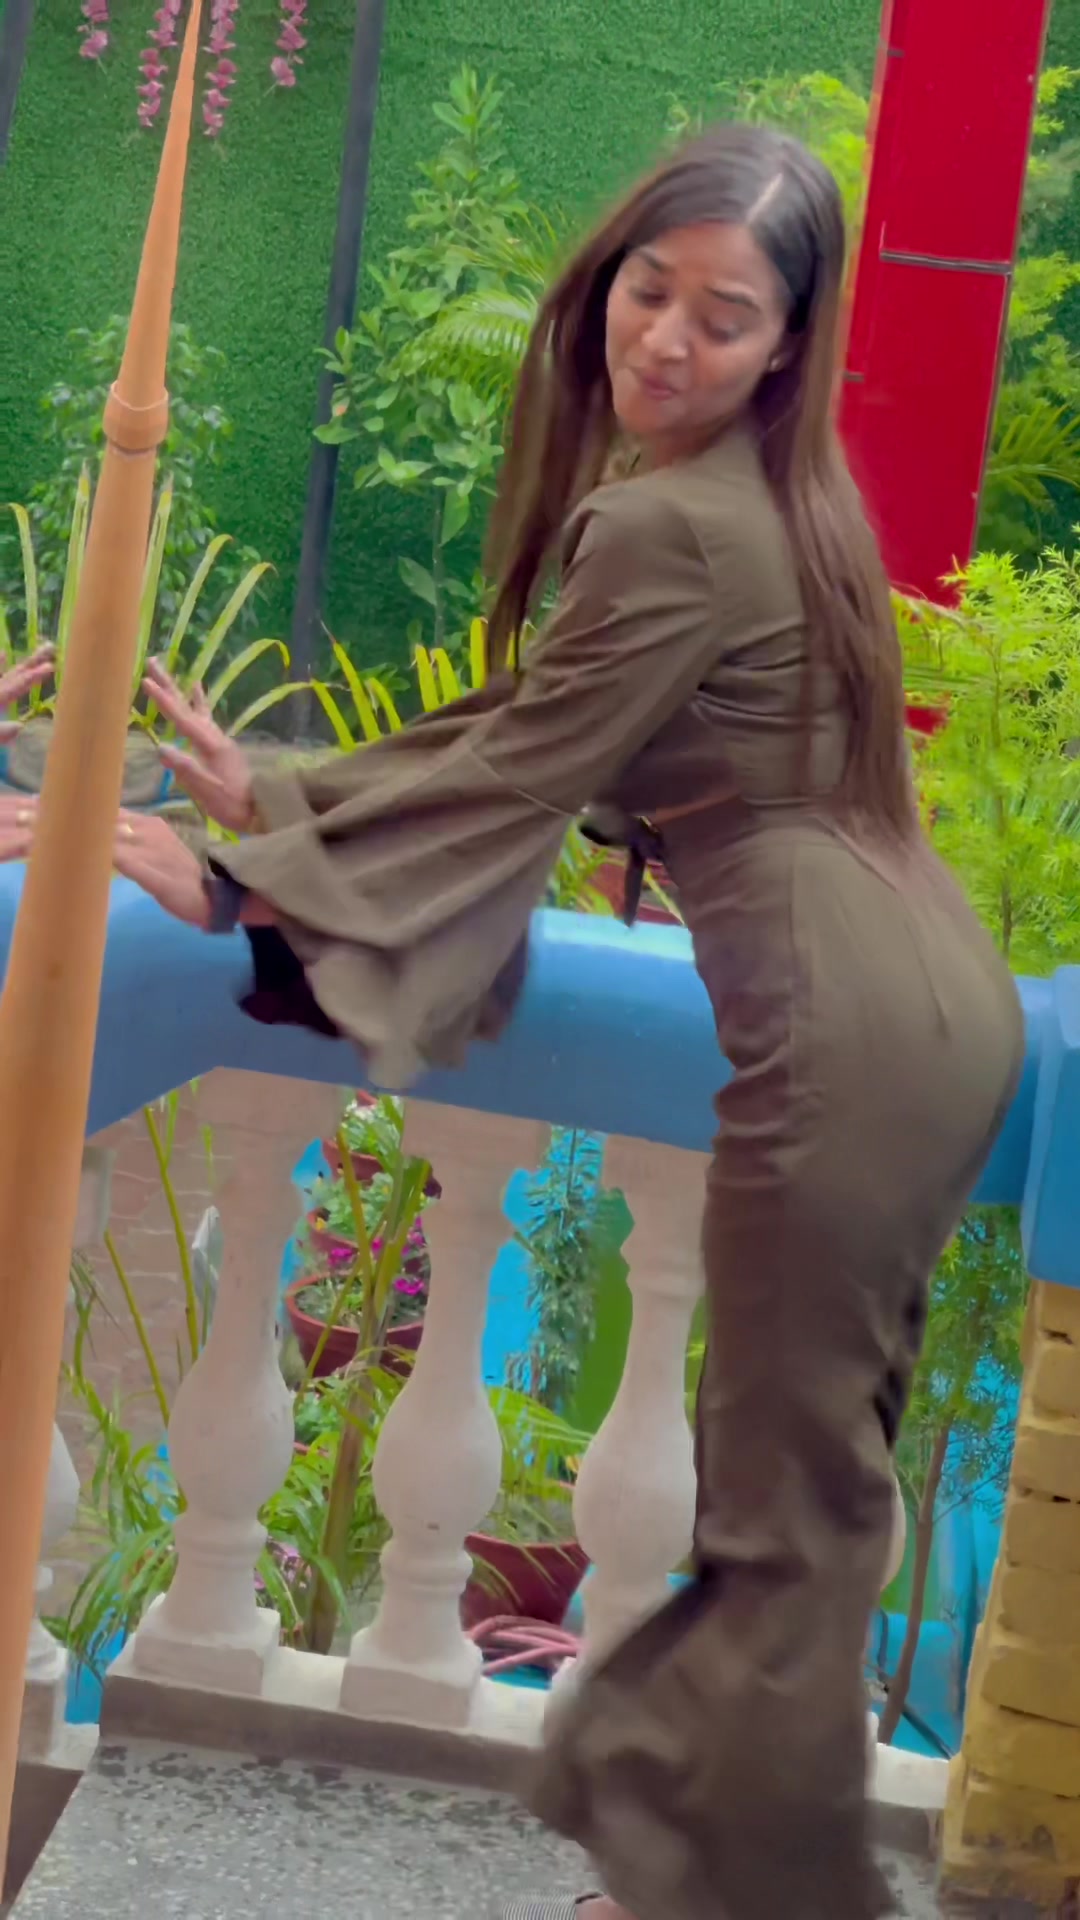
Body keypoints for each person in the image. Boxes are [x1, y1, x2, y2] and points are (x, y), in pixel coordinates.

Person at [1, 126, 1024, 1920]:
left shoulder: (669, 521)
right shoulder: (778, 502)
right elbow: (539, 732)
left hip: (840, 1026)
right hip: (924, 995)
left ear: (787, 342)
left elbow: (526, 773)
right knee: (803, 1493)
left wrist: (235, 881)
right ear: (604, 280)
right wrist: (279, 804)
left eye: (725, 316)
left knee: (784, 1507)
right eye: (649, 290)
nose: (667, 341)